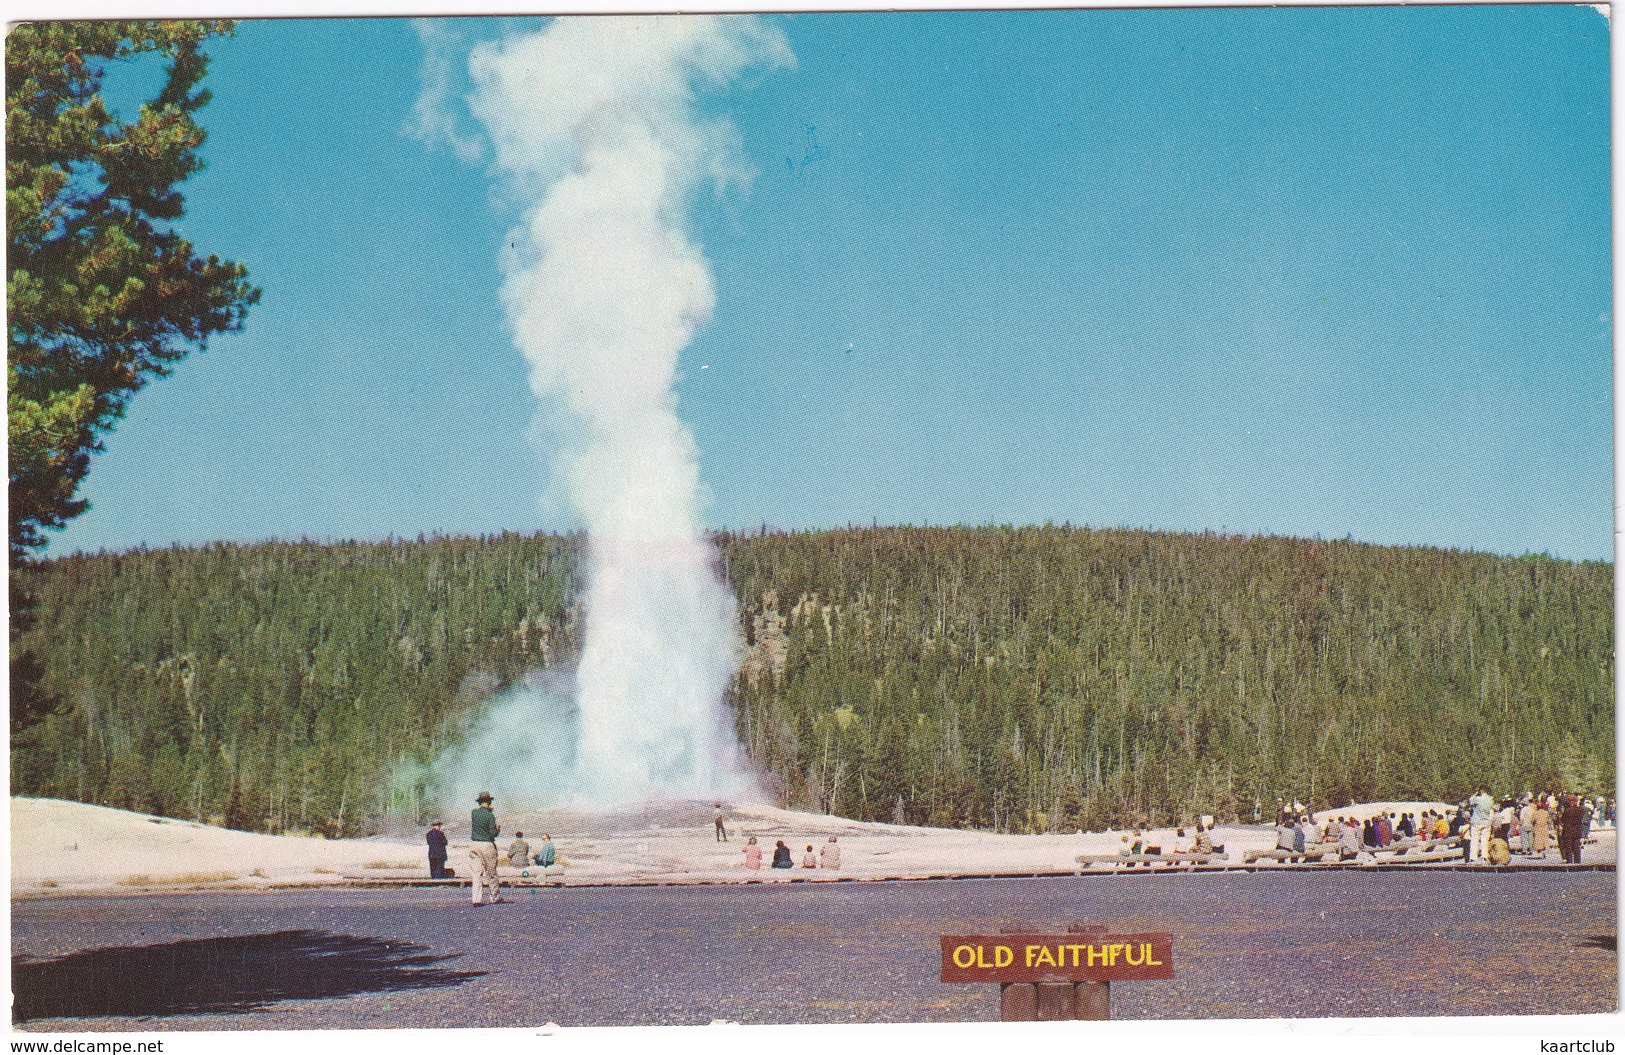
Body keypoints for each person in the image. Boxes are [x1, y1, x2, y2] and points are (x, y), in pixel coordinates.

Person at [470, 791, 502, 904]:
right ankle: (494, 897)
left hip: (474, 844)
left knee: (476, 873)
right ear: (489, 802)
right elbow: (492, 834)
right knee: (491, 872)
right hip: (487, 845)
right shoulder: (490, 815)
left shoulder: (474, 813)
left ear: (479, 802)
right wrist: (497, 829)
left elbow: (478, 813)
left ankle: (476, 899)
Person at [1467, 787, 1494, 864]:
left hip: (1477, 821)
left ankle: (1473, 858)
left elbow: (1470, 800)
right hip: (1486, 821)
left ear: (1480, 791)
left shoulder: (1477, 799)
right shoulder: (1490, 799)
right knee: (1484, 839)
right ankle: (1484, 856)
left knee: (1474, 839)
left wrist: (1476, 793)